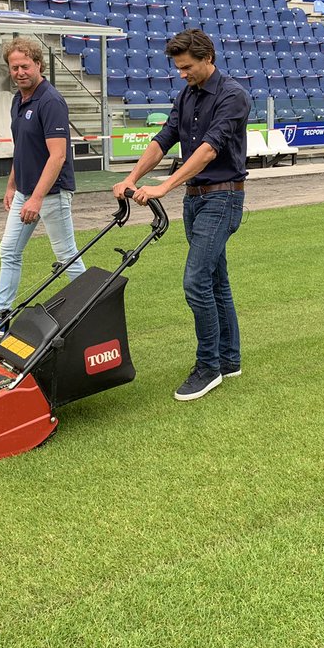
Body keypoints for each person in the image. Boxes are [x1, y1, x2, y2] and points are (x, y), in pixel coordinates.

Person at [113, 29, 251, 402]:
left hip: (222, 198)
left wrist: (164, 186)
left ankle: (208, 367)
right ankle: (229, 360)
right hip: (195, 200)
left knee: (195, 281)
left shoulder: (233, 96)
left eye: (187, 67)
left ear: (208, 58)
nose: (182, 73)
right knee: (216, 281)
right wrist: (132, 178)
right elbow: (163, 140)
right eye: (178, 67)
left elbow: (209, 150)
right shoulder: (187, 95)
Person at [0, 36, 85, 335]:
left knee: (67, 256)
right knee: (9, 250)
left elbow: (58, 156)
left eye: (25, 66)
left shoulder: (51, 101)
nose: (19, 72)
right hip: (25, 192)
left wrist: (37, 198)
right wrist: (12, 185)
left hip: (51, 193)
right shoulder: (18, 100)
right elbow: (22, 148)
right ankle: (0, 317)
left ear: (38, 64)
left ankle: (93, 310)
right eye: (14, 67)